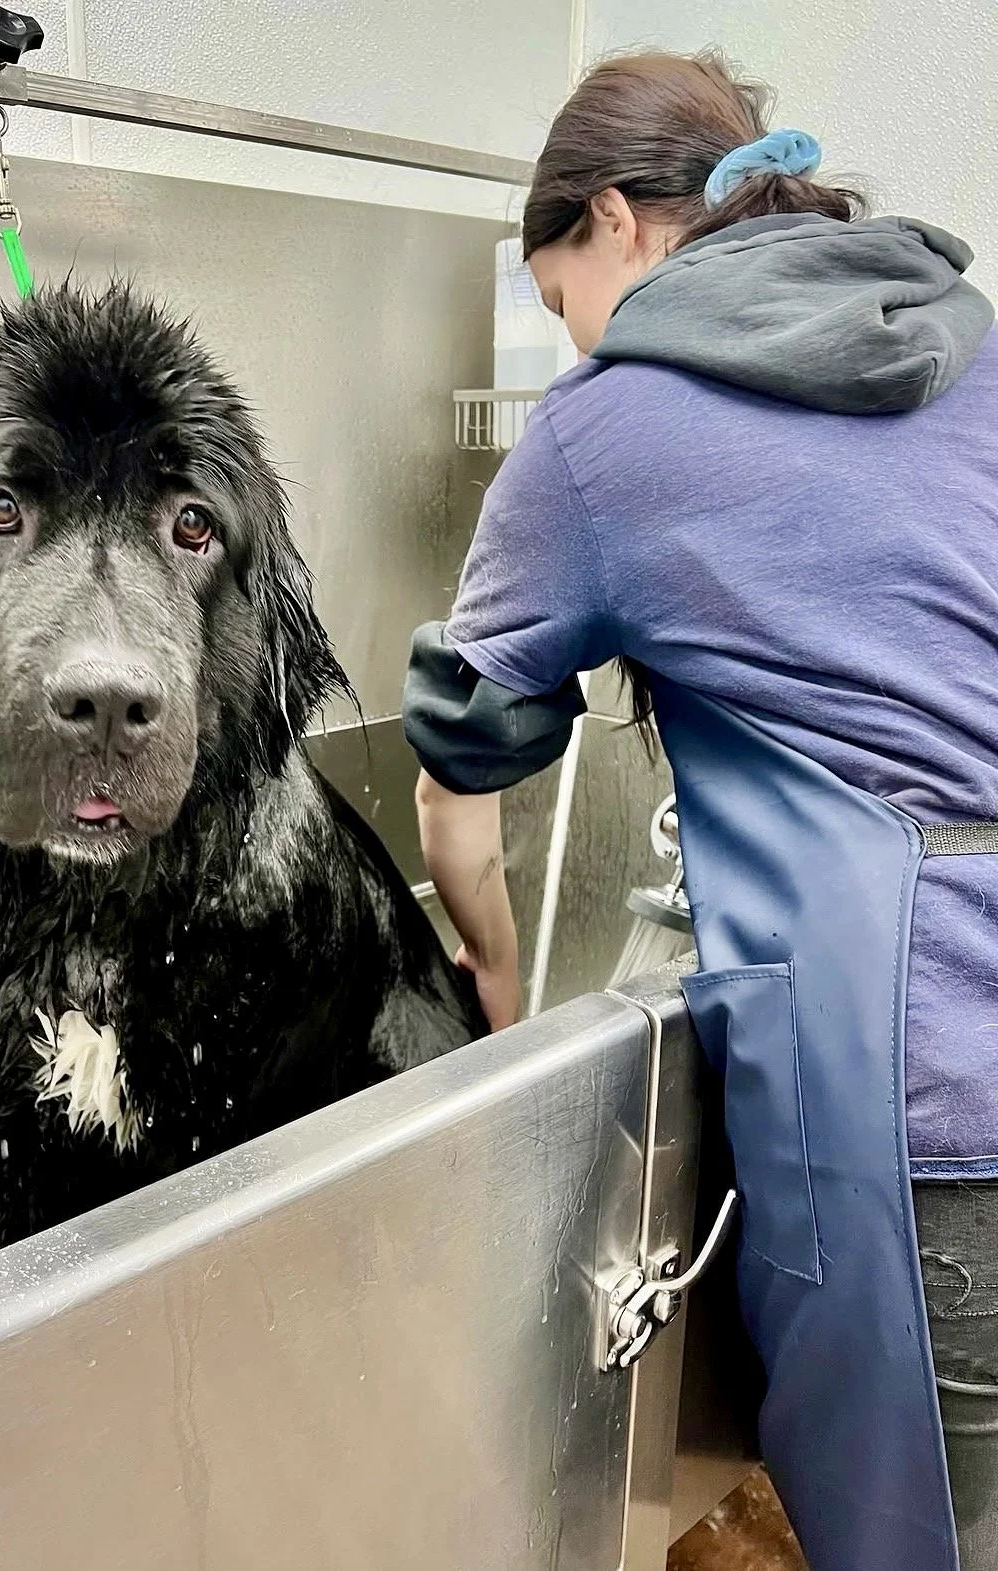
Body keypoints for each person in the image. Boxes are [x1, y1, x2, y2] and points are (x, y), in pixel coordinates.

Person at [402, 50, 998, 1571]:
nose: (569, 345)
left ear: (617, 222)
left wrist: (493, 988)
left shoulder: (606, 434)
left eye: (558, 303)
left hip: (926, 1111)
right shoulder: (973, 352)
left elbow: (459, 791)